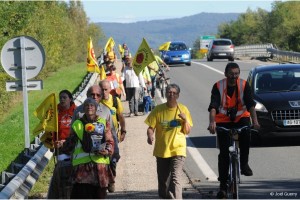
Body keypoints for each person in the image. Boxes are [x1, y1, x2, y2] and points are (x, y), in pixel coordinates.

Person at [207, 62, 260, 198]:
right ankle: (223, 187)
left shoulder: (243, 85)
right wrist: (212, 122)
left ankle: (244, 164)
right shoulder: (218, 86)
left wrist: (255, 121)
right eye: (231, 74)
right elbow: (213, 106)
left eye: (236, 74)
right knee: (224, 154)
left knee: (246, 135)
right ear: (225, 74)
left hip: (241, 118)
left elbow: (250, 105)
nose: (234, 77)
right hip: (223, 120)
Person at [145, 83, 193, 199]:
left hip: (178, 149)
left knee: (176, 178)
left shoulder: (183, 109)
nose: (171, 95)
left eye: (174, 93)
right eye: (169, 92)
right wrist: (150, 135)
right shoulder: (158, 110)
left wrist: (185, 119)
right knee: (163, 181)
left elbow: (187, 131)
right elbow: (150, 128)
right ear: (165, 94)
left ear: (178, 95)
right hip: (162, 150)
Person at [61, 98, 114, 199]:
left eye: (92, 105)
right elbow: (70, 143)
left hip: (100, 168)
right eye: (86, 105)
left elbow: (110, 142)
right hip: (82, 170)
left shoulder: (103, 123)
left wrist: (107, 150)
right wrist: (62, 145)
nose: (89, 107)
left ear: (96, 108)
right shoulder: (77, 124)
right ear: (83, 109)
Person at [47, 90, 77, 199]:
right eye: (61, 97)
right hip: (60, 149)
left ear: (70, 99)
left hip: (74, 147)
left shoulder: (77, 111)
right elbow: (51, 131)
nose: (62, 99)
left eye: (65, 97)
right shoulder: (55, 113)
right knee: (62, 176)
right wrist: (52, 143)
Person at [99, 80, 127, 192]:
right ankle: (104, 181)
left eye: (106, 89)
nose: (104, 92)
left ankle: (111, 179)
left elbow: (121, 116)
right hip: (100, 135)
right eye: (102, 89)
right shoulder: (97, 102)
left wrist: (124, 131)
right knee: (102, 158)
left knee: (113, 159)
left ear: (110, 89)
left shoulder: (115, 100)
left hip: (113, 134)